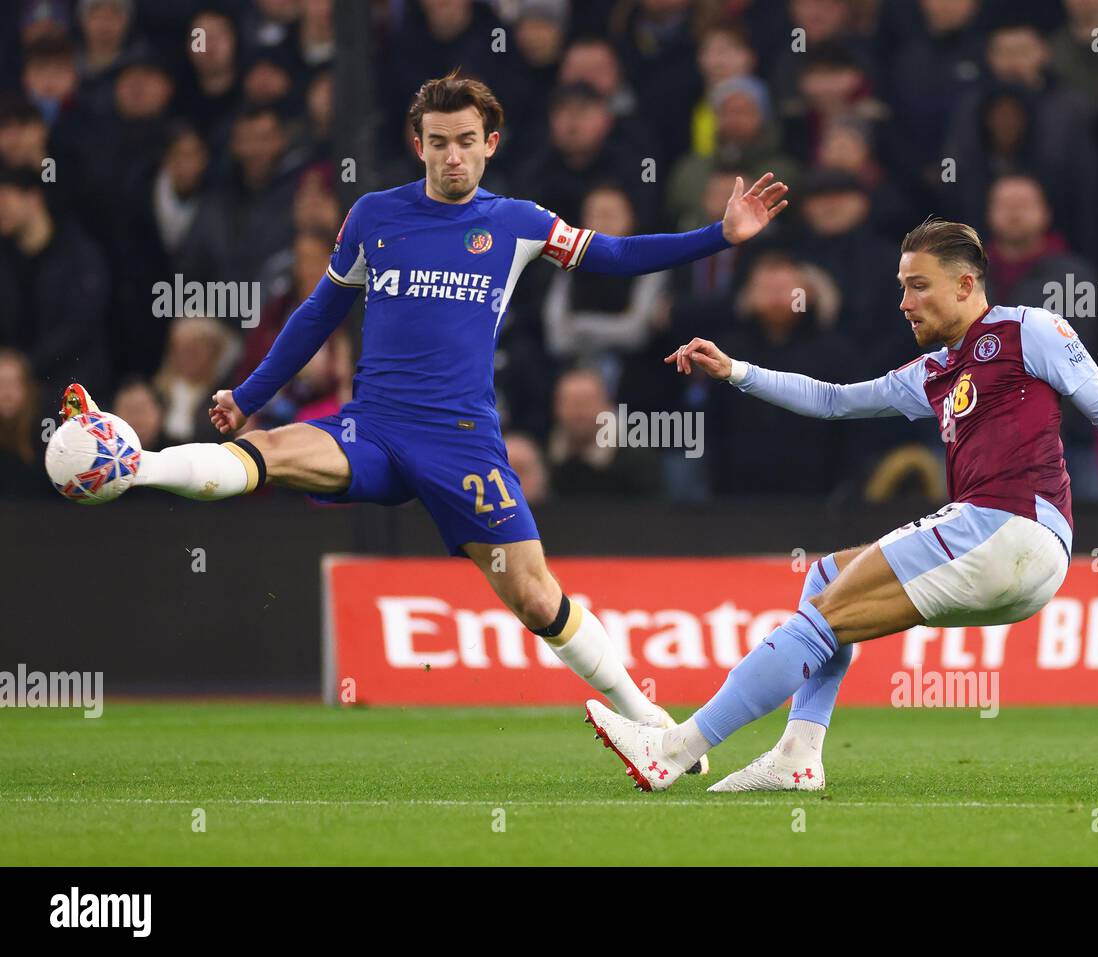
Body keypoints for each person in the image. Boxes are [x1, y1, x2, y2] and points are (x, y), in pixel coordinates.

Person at [61, 69, 787, 768]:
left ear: (490, 142)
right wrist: (249, 393)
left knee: (535, 598)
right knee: (270, 448)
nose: (452, 155)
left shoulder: (518, 223)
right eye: (438, 141)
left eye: (466, 139)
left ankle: (651, 720)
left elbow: (619, 254)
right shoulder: (375, 215)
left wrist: (717, 236)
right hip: (373, 427)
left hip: (463, 444)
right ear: (419, 145)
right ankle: (136, 466)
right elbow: (320, 310)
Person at [585, 218, 1098, 792]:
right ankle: (798, 753)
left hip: (1010, 526)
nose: (905, 301)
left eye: (919, 285)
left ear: (965, 283)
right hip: (1020, 555)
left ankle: (673, 748)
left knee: (822, 615)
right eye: (901, 286)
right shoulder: (932, 372)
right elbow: (835, 400)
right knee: (826, 582)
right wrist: (736, 372)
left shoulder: (1029, 329)